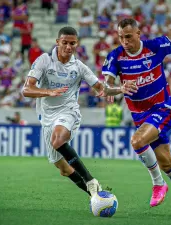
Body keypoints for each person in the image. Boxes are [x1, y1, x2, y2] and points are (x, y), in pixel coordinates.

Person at [102, 18, 171, 218]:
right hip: (140, 116)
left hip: (162, 108)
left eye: (129, 37)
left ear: (139, 34)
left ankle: (158, 184)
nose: (125, 41)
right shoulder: (116, 57)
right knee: (166, 162)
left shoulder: (155, 46)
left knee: (137, 140)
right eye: (121, 37)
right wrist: (119, 88)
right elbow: (106, 86)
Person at [22, 27, 138, 197]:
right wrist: (48, 92)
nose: (69, 47)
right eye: (65, 43)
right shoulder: (44, 61)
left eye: (72, 43)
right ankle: (96, 196)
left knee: (58, 139)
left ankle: (90, 180)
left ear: (77, 44)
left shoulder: (79, 67)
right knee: (63, 168)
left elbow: (101, 88)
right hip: (47, 116)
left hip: (69, 111)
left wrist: (120, 88)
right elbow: (26, 90)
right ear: (57, 42)